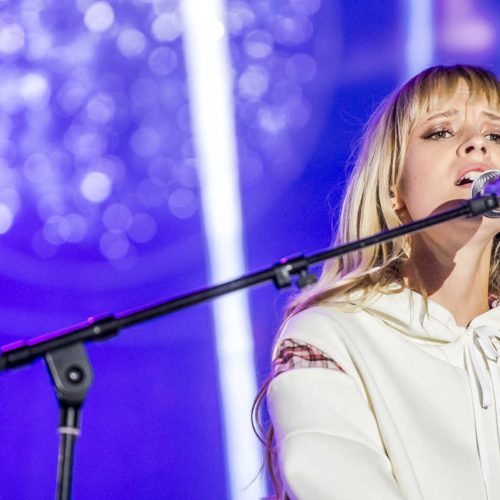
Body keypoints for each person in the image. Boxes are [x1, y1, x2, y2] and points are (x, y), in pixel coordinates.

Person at [253, 64, 500, 499]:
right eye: (441, 132)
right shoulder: (329, 337)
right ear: (393, 191)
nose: (478, 144)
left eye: (496, 135)